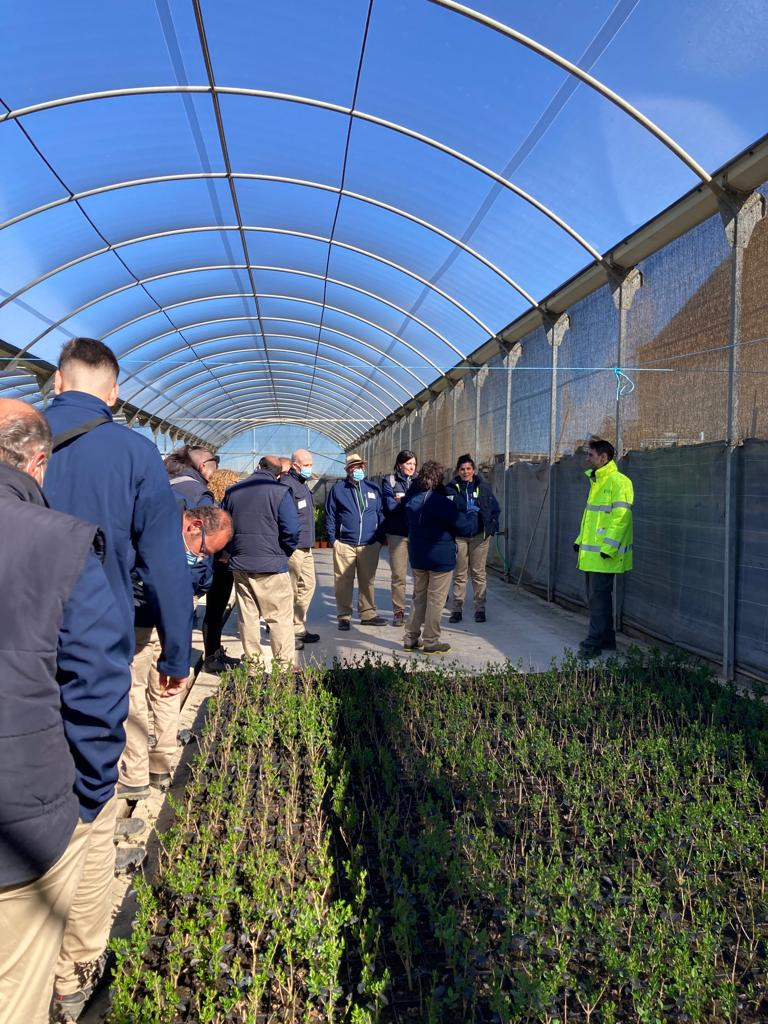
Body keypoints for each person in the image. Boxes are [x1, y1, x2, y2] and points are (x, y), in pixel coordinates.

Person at [42, 337, 192, 1007]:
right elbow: (164, 561)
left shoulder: (19, 438)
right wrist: (177, 654)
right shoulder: (133, 453)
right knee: (90, 806)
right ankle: (75, 968)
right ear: (115, 393)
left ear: (56, 382)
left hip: (16, 642)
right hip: (93, 648)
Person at [0, 399, 129, 1024]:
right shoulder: (62, 542)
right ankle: (74, 978)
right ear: (36, 462)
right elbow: (97, 684)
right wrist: (89, 792)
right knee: (14, 987)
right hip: (23, 817)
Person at [119, 507, 233, 799]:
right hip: (139, 622)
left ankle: (150, 769)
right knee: (138, 694)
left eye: (210, 554)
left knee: (161, 690)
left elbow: (203, 581)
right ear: (194, 525)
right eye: (204, 549)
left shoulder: (190, 545)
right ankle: (141, 772)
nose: (203, 556)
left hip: (167, 623)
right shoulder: (154, 526)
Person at [222, 456, 300, 668]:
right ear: (279, 474)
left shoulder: (233, 491)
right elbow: (292, 530)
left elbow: (222, 526)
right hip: (272, 567)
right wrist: (284, 553)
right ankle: (284, 666)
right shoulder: (280, 491)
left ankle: (253, 666)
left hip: (241, 564)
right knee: (279, 617)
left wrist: (231, 551)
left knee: (248, 617)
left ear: (258, 466)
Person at [574, 438, 634, 658]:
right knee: (598, 597)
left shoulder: (619, 482)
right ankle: (607, 638)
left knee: (598, 599)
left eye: (591, 455)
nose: (587, 458)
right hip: (593, 554)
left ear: (603, 457)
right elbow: (591, 519)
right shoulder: (597, 481)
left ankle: (593, 643)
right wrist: (579, 541)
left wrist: (609, 548)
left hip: (604, 555)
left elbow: (621, 519)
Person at [401, 460, 467, 655]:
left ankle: (410, 638)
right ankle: (431, 641)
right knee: (436, 600)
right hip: (440, 558)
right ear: (439, 479)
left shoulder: (412, 501)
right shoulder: (444, 504)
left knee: (419, 597)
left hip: (418, 556)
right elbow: (462, 526)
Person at [325, 453, 386, 630]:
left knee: (367, 580)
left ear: (363, 467)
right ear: (347, 470)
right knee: (343, 581)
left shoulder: (373, 488)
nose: (356, 469)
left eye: (359, 466)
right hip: (345, 544)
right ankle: (344, 616)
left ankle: (368, 613)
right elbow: (330, 515)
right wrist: (333, 540)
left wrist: (378, 539)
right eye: (353, 467)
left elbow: (381, 514)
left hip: (369, 544)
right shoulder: (338, 489)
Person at [446, 454, 500, 624]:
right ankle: (457, 609)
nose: (465, 472)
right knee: (460, 574)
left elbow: (495, 508)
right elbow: (448, 508)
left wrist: (491, 527)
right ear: (458, 471)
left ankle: (480, 609)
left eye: (469, 469)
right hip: (459, 537)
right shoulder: (451, 488)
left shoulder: (483, 487)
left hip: (479, 537)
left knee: (478, 573)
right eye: (462, 469)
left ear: (474, 470)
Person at [202, 468, 243, 673]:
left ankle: (216, 652)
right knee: (214, 611)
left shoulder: (217, 505)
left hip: (220, 563)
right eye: (234, 482)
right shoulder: (217, 508)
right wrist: (225, 553)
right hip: (219, 564)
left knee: (216, 611)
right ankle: (211, 657)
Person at [281, 449, 320, 648]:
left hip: (306, 546)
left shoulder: (303, 485)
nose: (309, 468)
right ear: (295, 465)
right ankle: (286, 631)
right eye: (306, 465)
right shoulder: (287, 485)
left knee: (308, 585)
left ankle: (297, 625)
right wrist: (289, 544)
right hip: (294, 547)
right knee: (290, 589)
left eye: (311, 464)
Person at [382, 450, 418, 626]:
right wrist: (411, 502)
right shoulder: (390, 481)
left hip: (417, 533)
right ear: (399, 464)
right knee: (398, 575)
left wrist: (401, 501)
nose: (411, 467)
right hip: (397, 534)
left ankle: (418, 610)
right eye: (408, 463)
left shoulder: (420, 481)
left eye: (414, 464)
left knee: (419, 574)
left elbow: (423, 504)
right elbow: (390, 506)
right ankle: (398, 611)